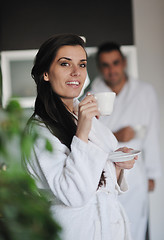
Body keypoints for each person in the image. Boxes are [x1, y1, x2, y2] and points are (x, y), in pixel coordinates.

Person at [25, 34, 137, 240]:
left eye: (82, 64)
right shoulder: (39, 130)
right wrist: (82, 131)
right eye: (65, 64)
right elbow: (73, 195)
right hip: (75, 231)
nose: (76, 72)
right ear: (46, 73)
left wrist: (118, 164)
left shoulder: (83, 115)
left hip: (108, 228)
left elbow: (103, 180)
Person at [90, 42, 161, 240]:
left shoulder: (145, 92)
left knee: (135, 228)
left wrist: (153, 174)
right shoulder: (91, 93)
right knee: (106, 230)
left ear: (124, 62)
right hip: (102, 173)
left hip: (136, 174)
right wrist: (116, 136)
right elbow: (86, 136)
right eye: (105, 65)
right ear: (99, 67)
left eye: (115, 63)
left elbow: (152, 133)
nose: (111, 70)